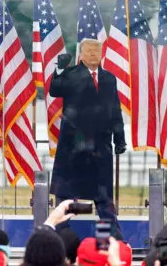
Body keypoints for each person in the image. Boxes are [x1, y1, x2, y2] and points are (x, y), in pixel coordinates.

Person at [49, 38, 127, 239]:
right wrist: (58, 68)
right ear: (81, 54)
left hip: (100, 146)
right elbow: (54, 89)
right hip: (73, 146)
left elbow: (115, 109)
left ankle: (112, 238)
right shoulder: (71, 74)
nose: (94, 54)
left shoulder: (109, 78)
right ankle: (61, 235)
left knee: (103, 196)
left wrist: (120, 137)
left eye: (97, 50)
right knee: (66, 195)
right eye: (90, 50)